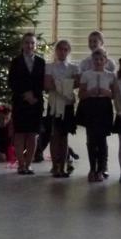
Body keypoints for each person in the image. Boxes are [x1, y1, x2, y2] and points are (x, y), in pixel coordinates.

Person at [8, 33, 45, 175]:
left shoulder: (41, 62)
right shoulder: (15, 61)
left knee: (32, 134)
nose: (30, 45)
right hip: (20, 102)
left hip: (36, 102)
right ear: (22, 44)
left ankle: (29, 164)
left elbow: (42, 82)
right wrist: (25, 94)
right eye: (27, 42)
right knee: (19, 134)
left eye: (32, 43)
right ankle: (21, 165)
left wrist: (33, 95)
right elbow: (12, 82)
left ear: (36, 45)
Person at [76, 48, 115, 182]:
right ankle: (92, 168)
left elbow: (115, 95)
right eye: (96, 59)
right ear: (92, 60)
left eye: (101, 59)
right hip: (90, 107)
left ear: (105, 61)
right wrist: (89, 92)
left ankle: (101, 169)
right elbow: (80, 94)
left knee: (102, 140)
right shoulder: (86, 75)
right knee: (91, 139)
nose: (98, 62)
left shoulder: (110, 75)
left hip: (104, 107)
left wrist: (106, 92)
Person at [44, 39, 79, 177]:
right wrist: (65, 85)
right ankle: (54, 166)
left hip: (67, 104)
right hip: (54, 104)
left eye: (65, 49)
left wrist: (58, 84)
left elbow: (77, 83)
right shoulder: (49, 66)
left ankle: (63, 165)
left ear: (68, 51)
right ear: (56, 50)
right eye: (60, 49)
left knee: (64, 136)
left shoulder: (73, 67)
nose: (62, 52)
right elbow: (47, 85)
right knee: (54, 135)